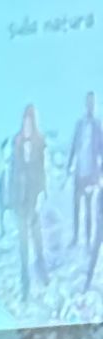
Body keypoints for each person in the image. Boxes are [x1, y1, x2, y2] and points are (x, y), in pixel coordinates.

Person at [11, 104, 49, 301]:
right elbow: (13, 172)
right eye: (25, 122)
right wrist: (11, 200)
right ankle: (25, 283)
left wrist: (42, 193)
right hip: (20, 200)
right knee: (23, 245)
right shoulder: (16, 142)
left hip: (34, 198)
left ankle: (42, 273)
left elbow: (42, 171)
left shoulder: (40, 143)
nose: (27, 126)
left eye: (30, 123)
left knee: (37, 239)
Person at [71, 90, 103, 251]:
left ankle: (89, 240)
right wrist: (69, 165)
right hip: (79, 172)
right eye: (88, 102)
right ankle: (76, 237)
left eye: (93, 103)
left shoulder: (98, 126)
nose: (90, 105)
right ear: (85, 104)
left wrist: (100, 172)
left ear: (95, 106)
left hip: (91, 173)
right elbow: (73, 146)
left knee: (89, 209)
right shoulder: (80, 124)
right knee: (76, 207)